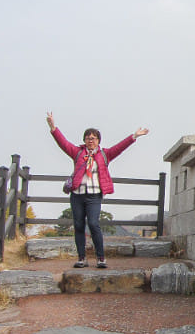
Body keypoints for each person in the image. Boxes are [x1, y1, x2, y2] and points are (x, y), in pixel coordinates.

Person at [46, 112, 149, 268]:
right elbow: (63, 143)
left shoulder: (104, 154)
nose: (90, 140)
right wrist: (53, 127)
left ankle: (101, 258)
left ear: (98, 140)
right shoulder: (78, 153)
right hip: (77, 195)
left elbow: (119, 147)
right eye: (88, 138)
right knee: (79, 225)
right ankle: (82, 258)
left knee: (94, 224)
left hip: (94, 196)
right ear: (84, 141)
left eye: (93, 138)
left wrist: (134, 136)